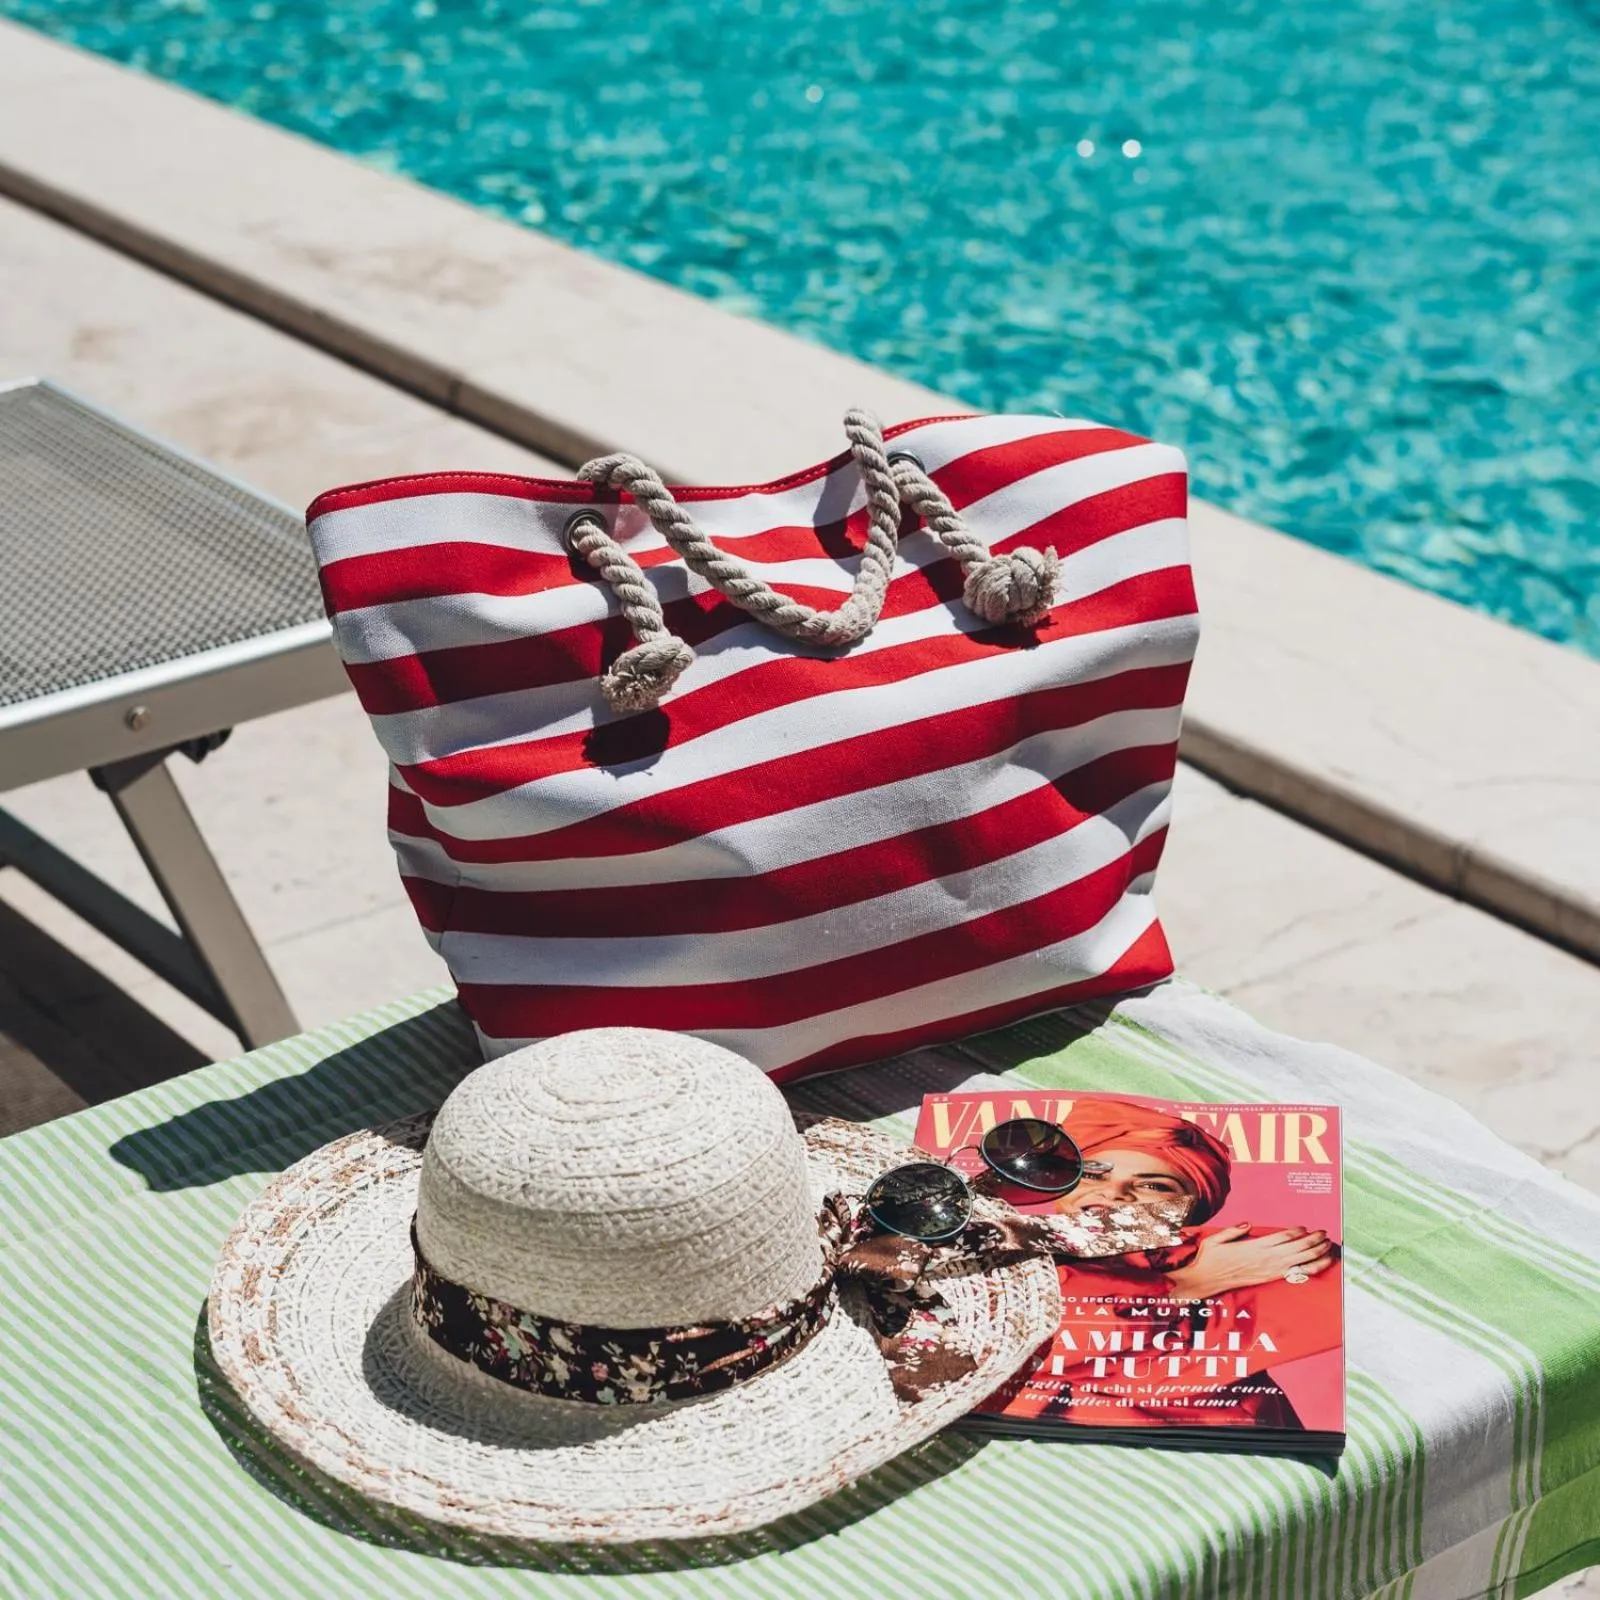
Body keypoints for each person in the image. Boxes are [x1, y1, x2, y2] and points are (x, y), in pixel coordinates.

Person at [994, 1097, 1340, 1431]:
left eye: (1153, 1185)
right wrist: (1189, 1285)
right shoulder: (1003, 1245)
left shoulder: (1230, 1249)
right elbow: (1005, 1349)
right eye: (1094, 1175)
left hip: (1213, 1442)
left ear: (1193, 1208)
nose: (1115, 1193)